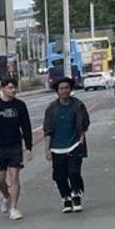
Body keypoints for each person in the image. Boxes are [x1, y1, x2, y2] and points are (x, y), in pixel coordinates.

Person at [0, 75, 34, 221]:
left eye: (14, 87)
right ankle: (6, 196)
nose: (13, 90)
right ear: (3, 89)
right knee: (0, 180)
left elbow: (26, 126)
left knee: (14, 177)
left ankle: (14, 208)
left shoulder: (20, 106)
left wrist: (28, 146)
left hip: (15, 146)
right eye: (10, 88)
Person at [42, 77, 92, 213]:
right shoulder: (51, 109)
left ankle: (76, 196)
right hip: (57, 147)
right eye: (61, 89)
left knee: (74, 172)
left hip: (74, 144)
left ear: (70, 89)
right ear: (57, 91)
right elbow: (47, 130)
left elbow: (84, 123)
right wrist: (47, 150)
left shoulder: (78, 105)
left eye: (67, 88)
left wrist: (81, 136)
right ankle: (66, 198)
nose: (64, 91)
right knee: (60, 176)